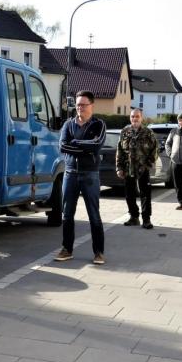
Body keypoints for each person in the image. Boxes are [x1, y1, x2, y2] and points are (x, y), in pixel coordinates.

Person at [54, 90, 107, 264]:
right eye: (77, 105)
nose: (80, 108)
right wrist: (83, 146)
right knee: (67, 214)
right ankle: (66, 249)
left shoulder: (99, 125)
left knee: (94, 215)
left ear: (92, 105)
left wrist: (75, 143)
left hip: (90, 174)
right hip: (70, 174)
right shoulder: (68, 125)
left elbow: (96, 145)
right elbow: (62, 146)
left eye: (83, 105)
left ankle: (98, 252)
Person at [116, 108, 158, 229]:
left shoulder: (148, 132)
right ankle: (134, 217)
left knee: (145, 194)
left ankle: (146, 219)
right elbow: (119, 150)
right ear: (130, 118)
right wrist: (119, 168)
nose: (135, 118)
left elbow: (154, 150)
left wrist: (148, 165)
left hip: (142, 168)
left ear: (141, 118)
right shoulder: (125, 131)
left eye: (137, 116)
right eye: (133, 116)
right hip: (128, 168)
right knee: (129, 194)